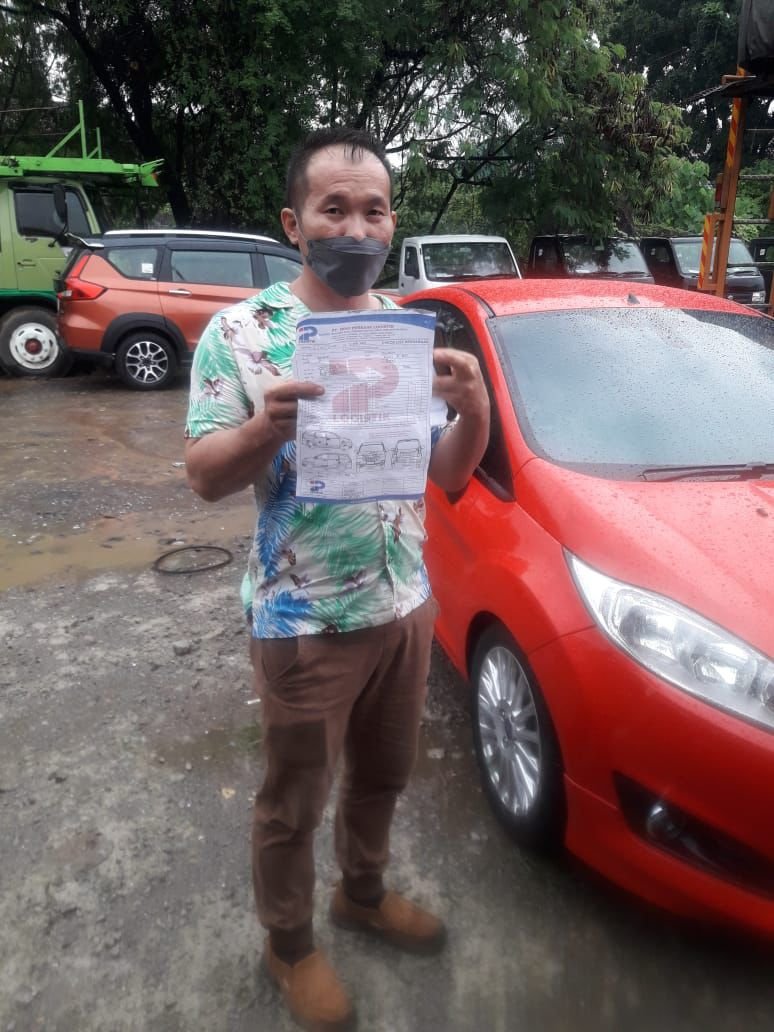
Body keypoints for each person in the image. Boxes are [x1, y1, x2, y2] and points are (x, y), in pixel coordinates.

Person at [185, 127, 490, 1032]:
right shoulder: (242, 335)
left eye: (374, 210)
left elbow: (449, 473)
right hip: (303, 621)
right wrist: (264, 430)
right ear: (295, 223)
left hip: (402, 606)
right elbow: (203, 476)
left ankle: (361, 894)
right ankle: (288, 945)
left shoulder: (403, 328)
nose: (356, 228)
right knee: (293, 802)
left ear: (392, 224)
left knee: (382, 777)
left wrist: (473, 410)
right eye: (334, 209)